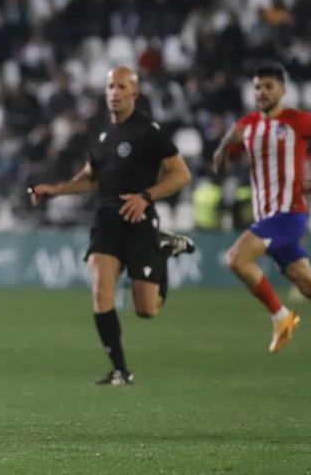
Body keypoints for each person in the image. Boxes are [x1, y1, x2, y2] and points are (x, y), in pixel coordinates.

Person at [29, 67, 195, 386]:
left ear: (134, 93)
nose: (115, 92)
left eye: (122, 86)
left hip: (139, 220)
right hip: (107, 220)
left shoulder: (149, 130)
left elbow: (181, 175)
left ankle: (162, 250)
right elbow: (91, 179)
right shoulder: (100, 132)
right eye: (110, 86)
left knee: (146, 310)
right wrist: (54, 190)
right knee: (101, 291)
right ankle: (120, 369)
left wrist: (147, 197)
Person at [212, 64, 311, 378]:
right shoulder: (247, 125)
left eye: (269, 86)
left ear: (283, 91)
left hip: (289, 215)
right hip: (267, 218)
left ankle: (282, 316)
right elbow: (221, 158)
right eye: (258, 87)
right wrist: (221, 152)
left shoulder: (297, 120)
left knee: (236, 259)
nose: (262, 92)